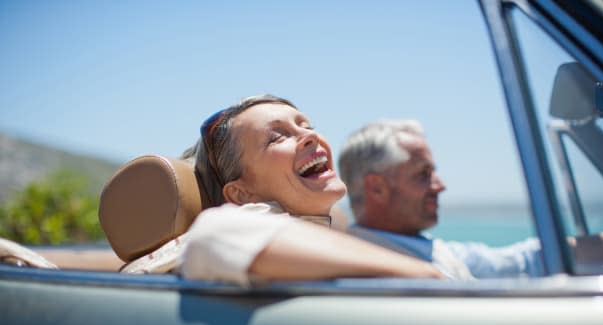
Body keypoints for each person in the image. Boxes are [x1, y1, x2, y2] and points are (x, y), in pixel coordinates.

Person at [177, 95, 444, 286]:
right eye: (277, 137)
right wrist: (427, 275)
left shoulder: (309, 244)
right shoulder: (228, 231)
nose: (311, 136)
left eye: (307, 126)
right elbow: (214, 235)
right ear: (241, 194)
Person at [338, 119, 544, 279]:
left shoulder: (424, 248)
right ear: (377, 188)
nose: (440, 186)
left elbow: (509, 263)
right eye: (423, 175)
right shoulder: (368, 269)